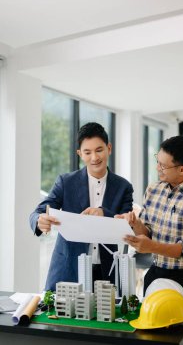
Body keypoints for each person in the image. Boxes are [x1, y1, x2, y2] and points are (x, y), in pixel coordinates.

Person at [117, 135, 183, 312]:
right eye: (158, 161)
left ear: (182, 170)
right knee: (152, 335)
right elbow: (147, 232)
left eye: (163, 165)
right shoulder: (153, 189)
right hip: (156, 273)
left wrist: (152, 247)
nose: (157, 168)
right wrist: (134, 224)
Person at [29, 122, 133, 291]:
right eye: (87, 152)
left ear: (109, 148)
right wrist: (39, 220)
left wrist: (103, 213)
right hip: (68, 269)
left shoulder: (124, 187)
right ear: (79, 154)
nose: (94, 157)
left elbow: (127, 225)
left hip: (106, 271)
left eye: (99, 150)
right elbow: (38, 212)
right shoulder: (65, 182)